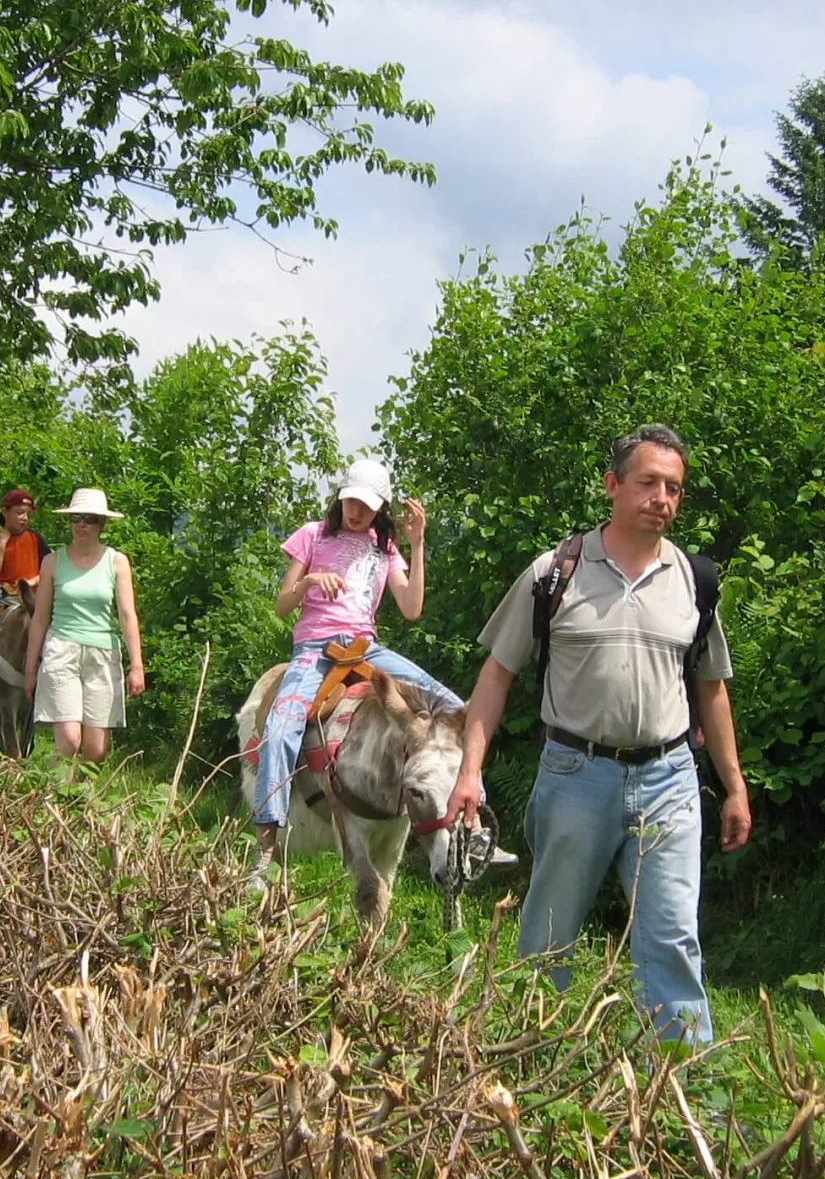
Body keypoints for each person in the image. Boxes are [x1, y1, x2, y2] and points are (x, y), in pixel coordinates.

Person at [443, 425, 752, 1045]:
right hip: (574, 776)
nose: (661, 498)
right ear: (612, 486)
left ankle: (687, 1100)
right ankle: (522, 1067)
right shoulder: (556, 572)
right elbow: (496, 675)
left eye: (673, 488)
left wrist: (736, 788)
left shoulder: (694, 581)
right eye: (647, 483)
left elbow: (712, 689)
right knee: (546, 938)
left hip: (669, 780)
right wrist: (468, 772)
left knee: (671, 939)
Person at [250, 458, 479, 888]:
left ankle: (473, 820)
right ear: (340, 498)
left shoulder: (382, 548)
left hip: (365, 648)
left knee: (456, 708)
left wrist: (417, 544)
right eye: (351, 501)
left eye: (367, 505)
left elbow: (411, 609)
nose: (357, 511)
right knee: (281, 728)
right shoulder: (312, 535)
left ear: (381, 510)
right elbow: (282, 606)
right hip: (314, 649)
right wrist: (309, 582)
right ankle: (265, 847)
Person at [22, 487, 145, 762]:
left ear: (101, 524)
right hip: (61, 651)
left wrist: (136, 666)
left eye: (89, 518)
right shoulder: (52, 562)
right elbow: (40, 618)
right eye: (76, 517)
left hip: (102, 654)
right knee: (68, 740)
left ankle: (81, 801)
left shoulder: (117, 562)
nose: (81, 524)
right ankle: (55, 799)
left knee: (96, 750)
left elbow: (127, 616)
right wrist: (30, 670)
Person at [0, 488, 50, 590]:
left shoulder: (35, 538)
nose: (25, 518)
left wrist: (32, 582)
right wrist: (2, 543)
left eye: (28, 514)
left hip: (30, 593)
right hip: (1, 593)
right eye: (20, 513)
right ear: (5, 512)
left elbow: (50, 569)